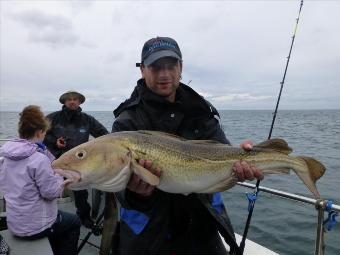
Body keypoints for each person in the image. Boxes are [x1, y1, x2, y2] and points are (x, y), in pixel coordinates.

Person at [110, 36, 263, 255]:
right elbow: (118, 187)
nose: (164, 74)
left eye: (171, 65)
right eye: (155, 66)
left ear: (181, 67)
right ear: (142, 70)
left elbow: (222, 154)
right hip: (150, 237)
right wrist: (135, 193)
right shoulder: (127, 122)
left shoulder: (201, 111)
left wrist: (241, 162)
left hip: (203, 230)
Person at [0, 105, 81, 255]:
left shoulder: (6, 156)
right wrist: (59, 176)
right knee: (74, 221)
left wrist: (44, 152)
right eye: (44, 133)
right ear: (39, 132)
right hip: (35, 228)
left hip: (14, 223)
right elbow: (51, 193)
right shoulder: (38, 159)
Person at [44, 91, 109, 228]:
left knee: (81, 195)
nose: (72, 101)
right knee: (48, 190)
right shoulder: (53, 118)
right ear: (64, 102)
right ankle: (48, 217)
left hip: (79, 166)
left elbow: (104, 135)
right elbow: (39, 133)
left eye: (75, 99)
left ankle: (85, 218)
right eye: (69, 99)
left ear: (79, 102)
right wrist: (54, 141)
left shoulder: (87, 119)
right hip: (55, 162)